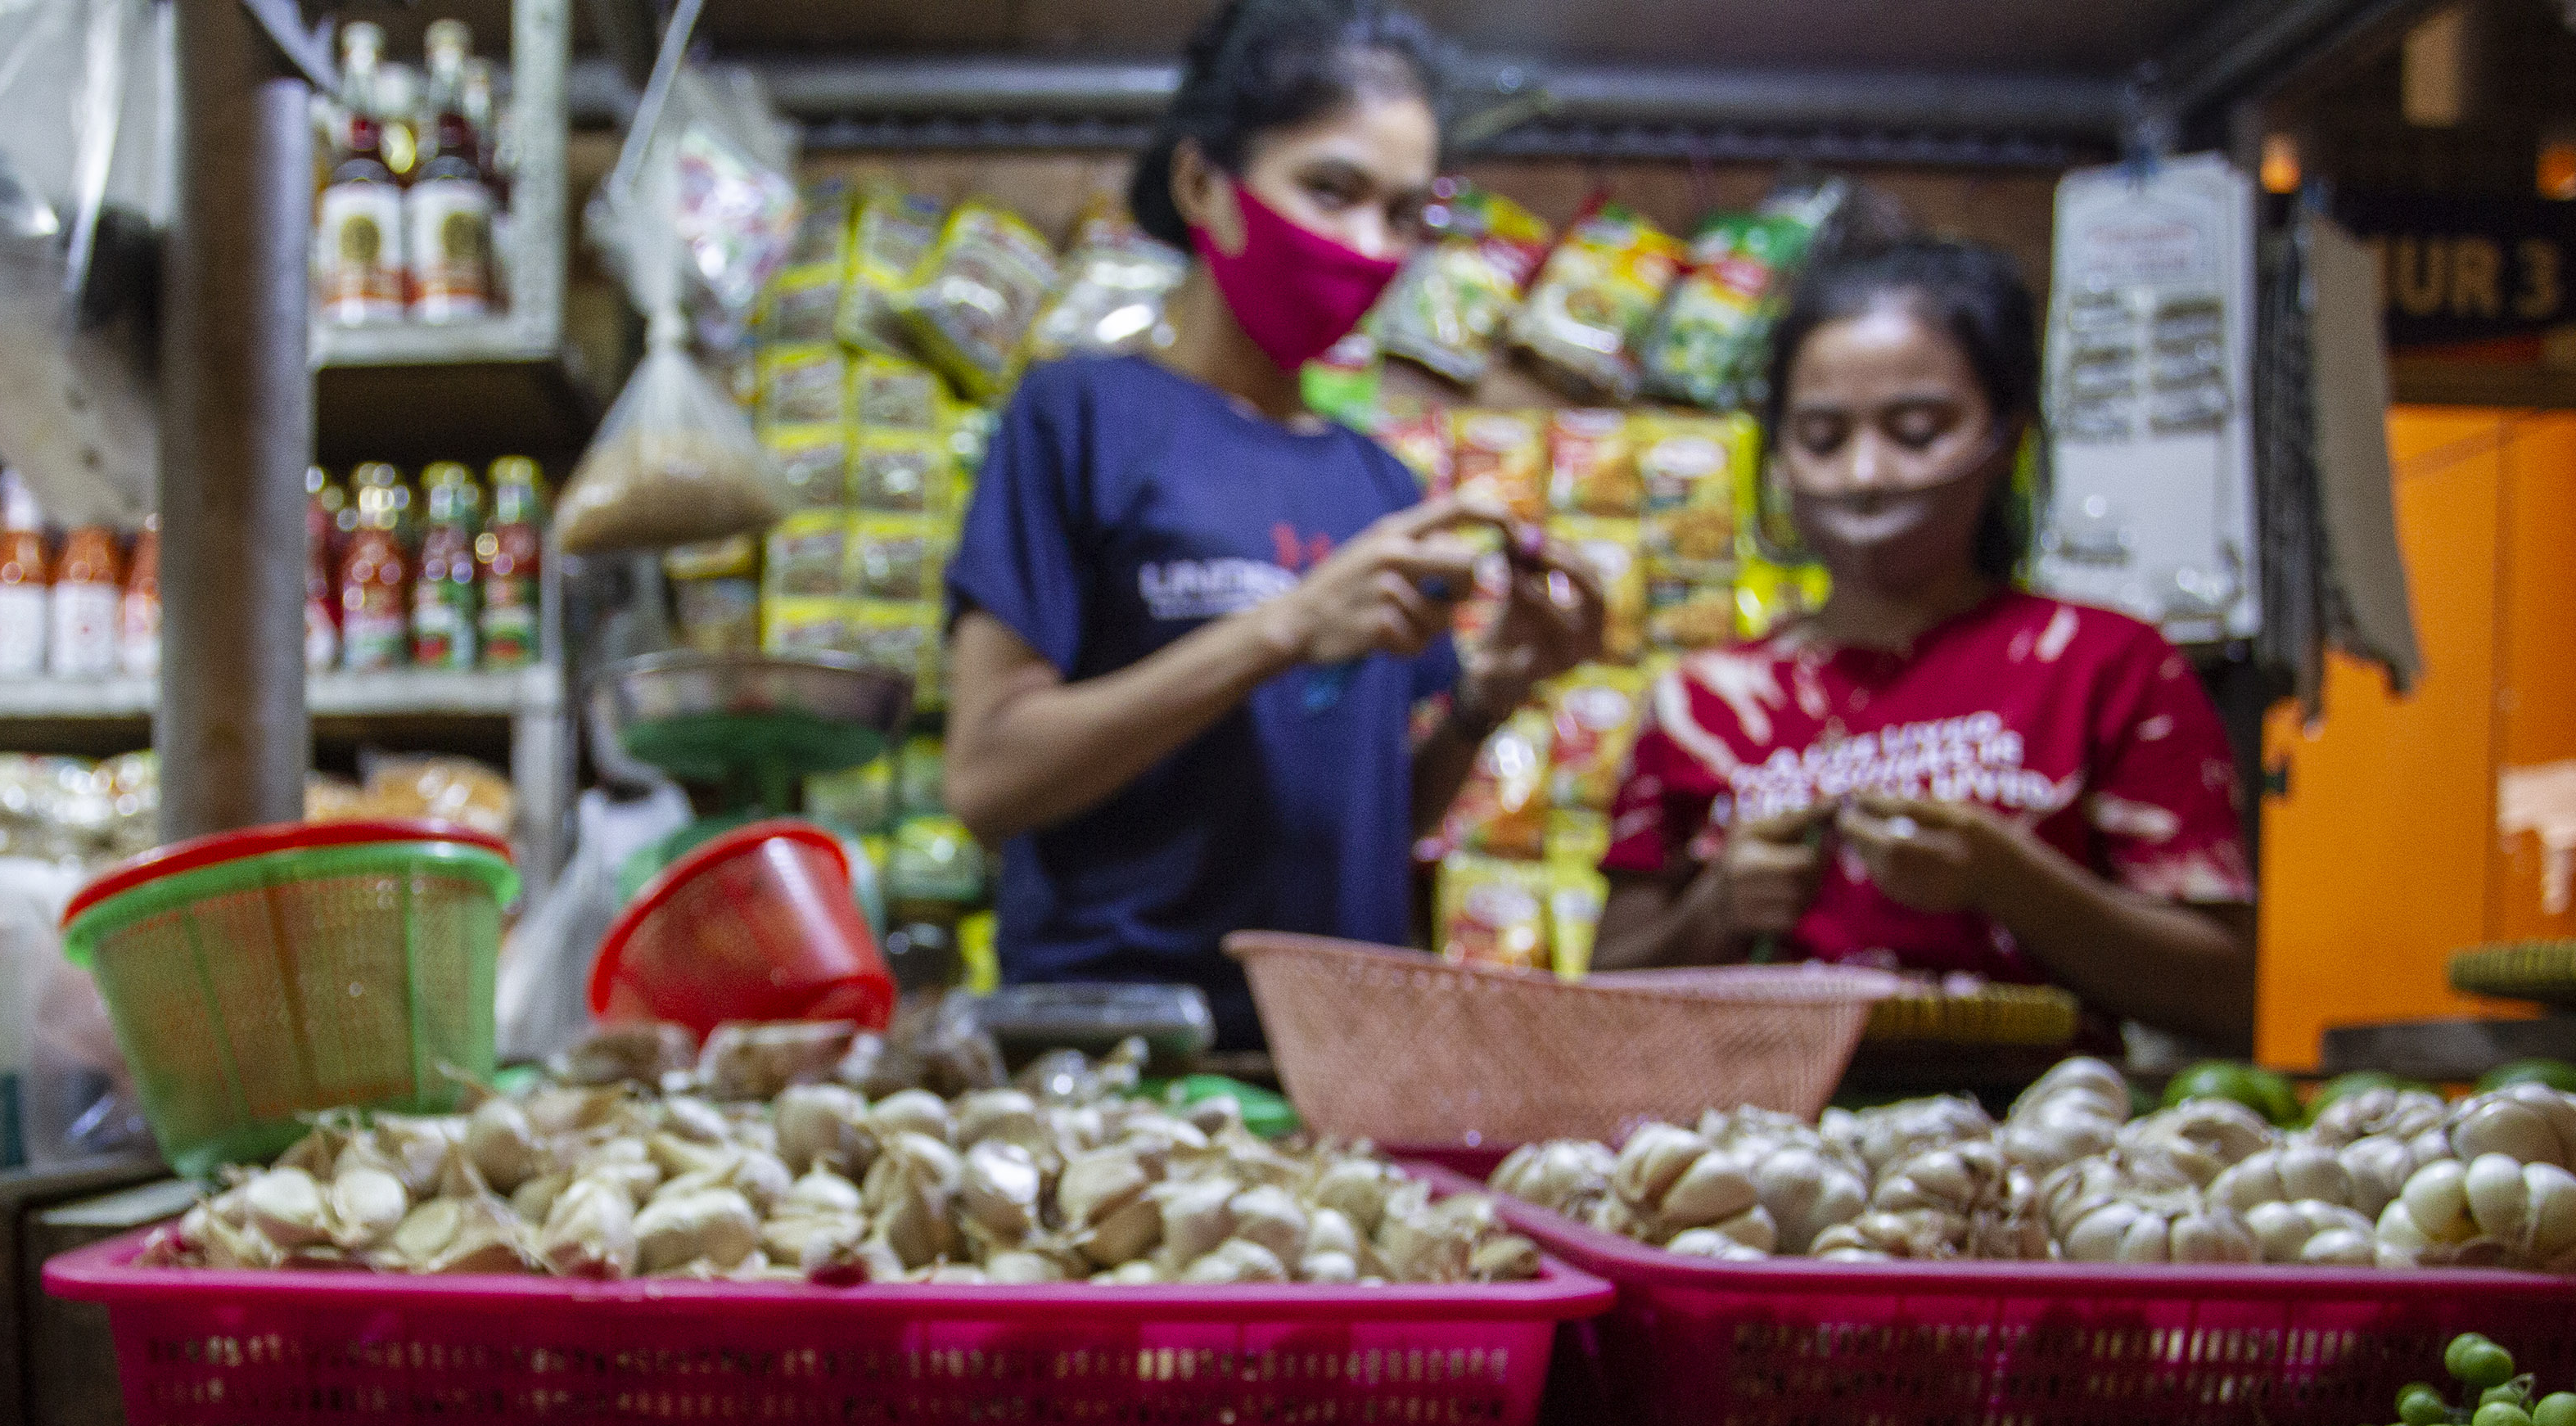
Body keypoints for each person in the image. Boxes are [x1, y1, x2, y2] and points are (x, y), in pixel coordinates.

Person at [942, 0, 1602, 1049]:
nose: (1365, 245)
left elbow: (1372, 824)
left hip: (1338, 1056)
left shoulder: (1382, 488)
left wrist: (1488, 699)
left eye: (1402, 215)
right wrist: (1285, 629)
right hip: (1120, 1056)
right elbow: (988, 779)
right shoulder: (1081, 420)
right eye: (1330, 190)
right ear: (1204, 184)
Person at [1591, 240, 2257, 1047]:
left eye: (1915, 430)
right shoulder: (1701, 702)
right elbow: (1601, 1010)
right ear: (1777, 456)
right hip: (1749, 1155)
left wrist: (2010, 881)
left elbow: (2226, 991)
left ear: (2007, 434)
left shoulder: (2108, 667)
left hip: (2041, 1153)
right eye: (1823, 437)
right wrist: (1717, 909)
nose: (1866, 475)